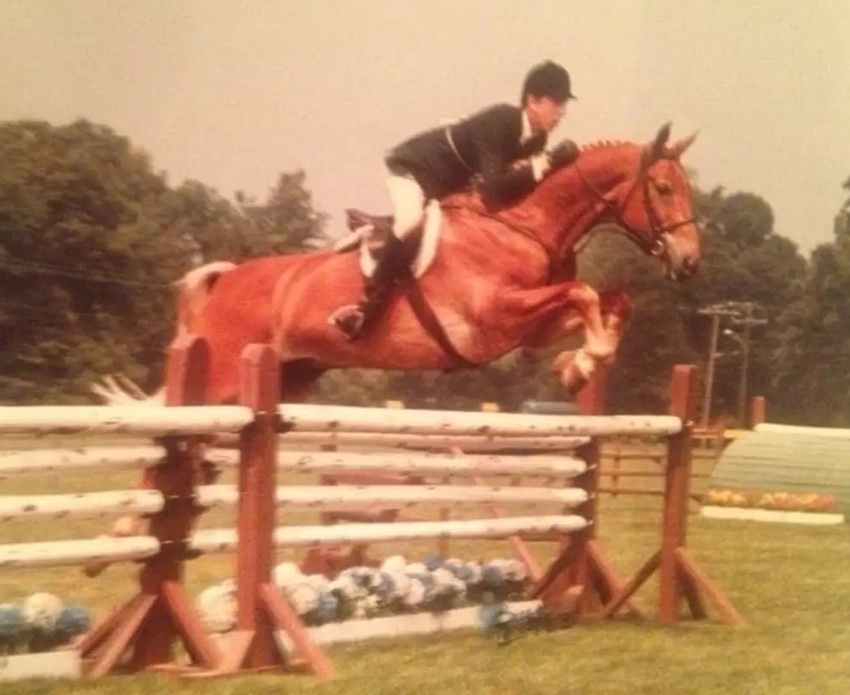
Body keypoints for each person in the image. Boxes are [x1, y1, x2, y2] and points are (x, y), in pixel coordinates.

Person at [329, 60, 581, 340]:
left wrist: (550, 166)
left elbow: (515, 189)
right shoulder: (500, 120)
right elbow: (495, 188)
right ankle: (365, 308)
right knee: (411, 220)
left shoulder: (536, 140)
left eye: (563, 108)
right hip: (416, 169)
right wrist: (545, 163)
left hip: (449, 185)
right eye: (556, 105)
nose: (560, 114)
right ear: (533, 100)